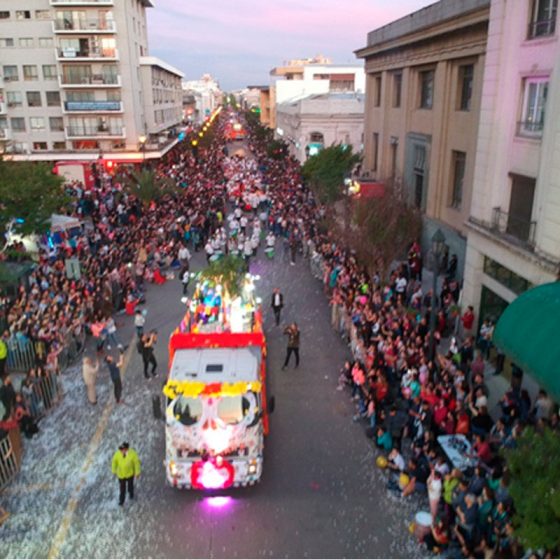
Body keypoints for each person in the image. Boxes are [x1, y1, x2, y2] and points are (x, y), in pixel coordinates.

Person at [111, 442, 141, 506]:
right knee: (122, 489)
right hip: (121, 475)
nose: (121, 451)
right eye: (121, 449)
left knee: (130, 486)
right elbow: (114, 461)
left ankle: (131, 493)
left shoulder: (132, 454)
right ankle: (121, 501)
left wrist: (137, 472)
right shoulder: (117, 454)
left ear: (127, 449)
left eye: (123, 449)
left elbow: (136, 463)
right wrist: (113, 469)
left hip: (130, 474)